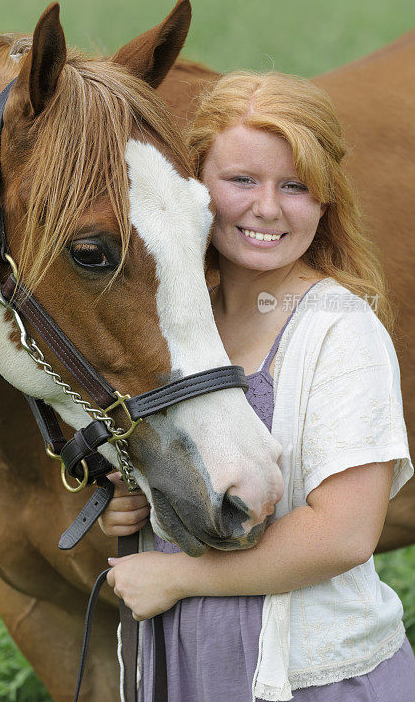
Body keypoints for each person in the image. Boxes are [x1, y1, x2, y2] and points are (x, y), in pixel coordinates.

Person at [100, 71, 415, 701]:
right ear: (195, 188)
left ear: (326, 201)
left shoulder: (338, 331)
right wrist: (143, 504)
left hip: (313, 680)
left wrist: (179, 577)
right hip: (192, 669)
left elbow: (345, 534)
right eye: (242, 180)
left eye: (295, 186)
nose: (267, 207)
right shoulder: (183, 328)